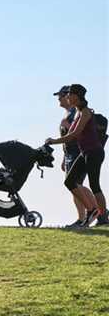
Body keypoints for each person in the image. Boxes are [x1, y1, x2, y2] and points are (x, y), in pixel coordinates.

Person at [45, 84, 106, 227]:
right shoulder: (77, 112)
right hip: (85, 153)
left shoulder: (85, 112)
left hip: (94, 152)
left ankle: (104, 218)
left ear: (76, 96)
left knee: (94, 185)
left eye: (69, 95)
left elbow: (74, 135)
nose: (66, 97)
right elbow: (69, 133)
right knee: (69, 181)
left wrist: (54, 141)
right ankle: (91, 211)